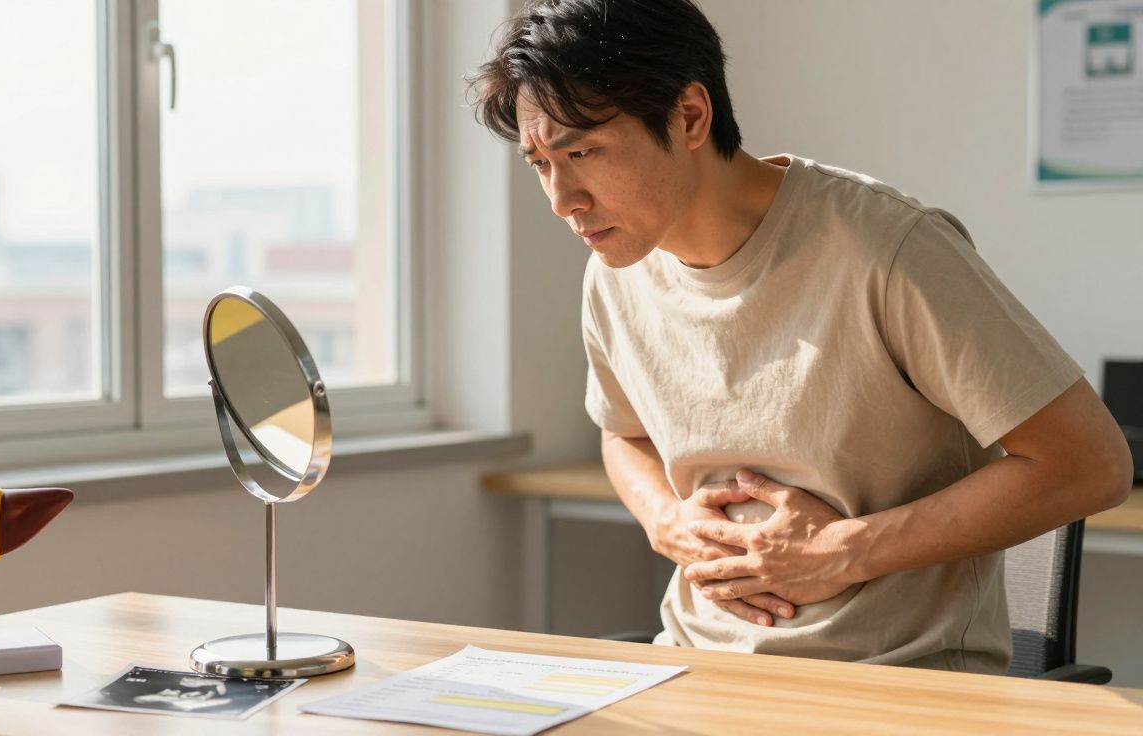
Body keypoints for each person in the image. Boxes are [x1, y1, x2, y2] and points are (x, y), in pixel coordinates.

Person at [467, 0, 1132, 673]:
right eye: (540, 164)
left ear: (689, 116)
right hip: (697, 671)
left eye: (581, 152)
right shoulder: (615, 272)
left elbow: (1091, 464)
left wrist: (843, 552)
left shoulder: (888, 249)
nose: (562, 199)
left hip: (895, 679)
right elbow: (624, 435)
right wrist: (665, 519)